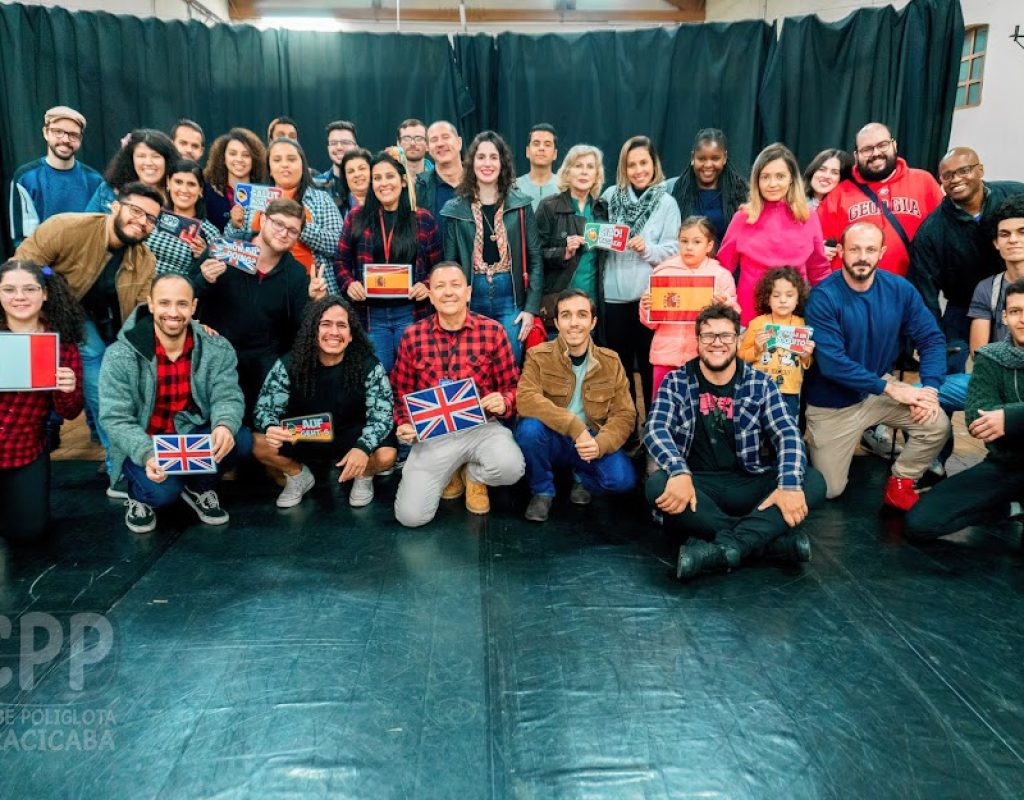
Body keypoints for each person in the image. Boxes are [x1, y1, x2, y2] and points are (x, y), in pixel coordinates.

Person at [644, 304, 827, 581]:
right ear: (698, 341)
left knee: (812, 482)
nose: (717, 343)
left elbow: (787, 433)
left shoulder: (760, 383)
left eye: (726, 336)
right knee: (657, 485)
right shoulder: (676, 381)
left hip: (749, 481)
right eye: (708, 336)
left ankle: (727, 547)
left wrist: (788, 484)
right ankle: (768, 543)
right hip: (697, 487)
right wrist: (678, 471)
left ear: (738, 340)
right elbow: (655, 428)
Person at [15, 182, 160, 492]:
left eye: (150, 218)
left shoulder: (145, 259)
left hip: (107, 327)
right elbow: (21, 268)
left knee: (120, 380)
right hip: (54, 319)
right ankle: (117, 472)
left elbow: (141, 313)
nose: (142, 221)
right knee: (101, 383)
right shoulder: (65, 227)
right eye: (136, 210)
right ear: (115, 205)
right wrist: (49, 301)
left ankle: (109, 446)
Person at [803, 222, 949, 511]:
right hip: (834, 401)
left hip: (877, 390)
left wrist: (929, 388)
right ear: (841, 251)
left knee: (936, 423)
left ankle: (900, 483)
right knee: (830, 490)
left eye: (870, 249)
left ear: (881, 252)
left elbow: (932, 339)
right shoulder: (824, 296)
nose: (862, 256)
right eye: (855, 249)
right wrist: (893, 389)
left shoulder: (899, 290)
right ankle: (806, 453)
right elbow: (833, 364)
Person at [99, 274, 250, 534]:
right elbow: (115, 418)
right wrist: (147, 453)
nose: (173, 312)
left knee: (242, 440)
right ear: (151, 305)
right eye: (164, 303)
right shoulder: (120, 354)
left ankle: (200, 486)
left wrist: (224, 425)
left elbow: (227, 394)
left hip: (188, 435)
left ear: (193, 307)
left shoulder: (216, 347)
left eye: (181, 304)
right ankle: (138, 495)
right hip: (146, 442)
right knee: (162, 495)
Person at [390, 262, 525, 527]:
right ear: (430, 295)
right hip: (433, 434)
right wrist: (404, 423)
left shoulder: (492, 331)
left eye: (455, 285)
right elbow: (400, 390)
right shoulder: (412, 336)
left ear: (468, 292)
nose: (448, 292)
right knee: (410, 517)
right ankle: (450, 471)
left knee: (511, 468)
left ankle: (474, 476)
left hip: (482, 427)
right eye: (439, 286)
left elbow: (513, 386)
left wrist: (504, 401)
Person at [905, 278, 1024, 540]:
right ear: (1004, 317)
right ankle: (997, 507)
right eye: (1015, 311)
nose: (1022, 319)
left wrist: (1010, 418)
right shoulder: (991, 356)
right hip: (1006, 465)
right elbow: (976, 416)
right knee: (919, 523)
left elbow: (998, 416)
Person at [253, 297, 397, 508]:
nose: (334, 332)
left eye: (341, 325)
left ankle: (363, 475)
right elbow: (263, 408)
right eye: (325, 324)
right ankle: (298, 476)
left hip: (351, 436)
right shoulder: (290, 362)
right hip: (305, 433)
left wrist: (363, 447)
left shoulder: (368, 365)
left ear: (350, 335)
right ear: (313, 330)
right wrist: (271, 426)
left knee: (387, 456)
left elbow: (382, 415)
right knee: (258, 443)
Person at [515, 289, 636, 522]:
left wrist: (600, 444)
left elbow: (624, 414)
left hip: (590, 440)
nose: (574, 323)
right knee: (529, 430)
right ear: (557, 322)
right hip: (554, 437)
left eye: (582, 315)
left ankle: (581, 476)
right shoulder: (538, 355)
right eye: (566, 315)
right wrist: (574, 427)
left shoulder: (610, 361)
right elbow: (526, 399)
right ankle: (542, 490)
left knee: (622, 481)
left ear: (593, 322)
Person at [193, 198, 312, 422]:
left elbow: (300, 330)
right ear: (263, 219)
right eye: (278, 224)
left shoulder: (296, 274)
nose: (284, 233)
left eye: (292, 230)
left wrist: (315, 300)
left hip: (263, 369)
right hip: (216, 360)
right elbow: (186, 294)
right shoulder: (224, 249)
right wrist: (204, 280)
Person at [910, 148, 1024, 374]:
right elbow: (925, 295)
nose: (956, 179)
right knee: (948, 365)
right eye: (948, 175)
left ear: (980, 170)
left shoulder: (1015, 195)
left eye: (964, 170)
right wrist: (933, 342)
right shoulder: (931, 232)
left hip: (1017, 295)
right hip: (963, 305)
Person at [335, 148, 442, 374]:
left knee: (414, 375)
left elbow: (438, 267)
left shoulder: (422, 219)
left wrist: (427, 285)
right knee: (378, 377)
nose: (384, 183)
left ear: (403, 182)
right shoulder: (356, 217)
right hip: (371, 317)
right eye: (377, 178)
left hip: (412, 313)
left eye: (390, 176)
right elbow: (341, 263)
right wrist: (349, 284)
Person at [440, 130, 543, 365]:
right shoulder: (454, 209)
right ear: (472, 163)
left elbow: (535, 259)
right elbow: (449, 265)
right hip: (470, 295)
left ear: (502, 163)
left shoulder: (521, 204)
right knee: (472, 367)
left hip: (511, 296)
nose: (487, 163)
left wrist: (531, 309)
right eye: (481, 157)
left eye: (493, 157)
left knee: (510, 365)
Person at [0, 260, 84, 542]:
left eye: (29, 289)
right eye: (9, 289)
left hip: (24, 449)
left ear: (45, 293)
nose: (19, 297)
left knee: (28, 531)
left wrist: (67, 387)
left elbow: (71, 412)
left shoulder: (62, 344)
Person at [601, 135, 681, 411]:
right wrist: (603, 238)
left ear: (654, 163)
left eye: (643, 163)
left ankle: (652, 431)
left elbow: (674, 250)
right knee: (618, 372)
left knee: (650, 370)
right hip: (613, 298)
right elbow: (596, 236)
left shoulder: (667, 202)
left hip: (649, 300)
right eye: (631, 164)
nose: (638, 170)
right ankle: (624, 432)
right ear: (624, 168)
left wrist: (648, 248)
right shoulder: (610, 196)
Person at [717, 143, 831, 327]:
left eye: (780, 176)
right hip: (749, 321)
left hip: (794, 321)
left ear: (791, 179)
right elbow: (722, 269)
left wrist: (830, 307)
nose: (772, 184)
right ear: (757, 181)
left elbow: (819, 270)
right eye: (765, 177)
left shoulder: (808, 217)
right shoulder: (743, 218)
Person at [817, 121, 943, 277]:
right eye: (867, 149)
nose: (876, 153)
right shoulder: (839, 193)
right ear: (856, 156)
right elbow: (817, 242)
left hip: (912, 290)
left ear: (894, 145)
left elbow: (945, 233)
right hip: (854, 292)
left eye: (882, 145)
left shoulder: (924, 182)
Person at [225, 137, 342, 294]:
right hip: (258, 289)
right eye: (277, 160)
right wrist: (234, 225)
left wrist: (299, 227)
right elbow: (228, 248)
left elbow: (338, 246)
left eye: (291, 159)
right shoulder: (254, 199)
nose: (285, 164)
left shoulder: (321, 200)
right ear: (270, 169)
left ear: (302, 165)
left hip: (310, 290)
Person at [640, 216, 739, 397]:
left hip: (704, 357)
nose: (689, 247)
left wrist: (726, 304)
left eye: (697, 242)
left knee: (700, 408)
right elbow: (650, 323)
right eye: (684, 241)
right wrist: (647, 306)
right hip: (666, 356)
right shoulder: (663, 272)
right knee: (664, 404)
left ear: (709, 246)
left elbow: (734, 319)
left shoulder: (721, 275)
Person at [535, 144, 608, 332]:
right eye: (578, 166)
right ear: (567, 172)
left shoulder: (603, 209)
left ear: (597, 175)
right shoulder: (549, 206)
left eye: (590, 167)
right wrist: (563, 253)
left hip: (593, 307)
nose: (584, 172)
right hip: (558, 305)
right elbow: (533, 255)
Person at [9, 105, 102, 247]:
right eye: (58, 131)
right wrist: (46, 270)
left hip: (85, 265)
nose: (65, 139)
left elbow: (100, 234)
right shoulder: (25, 178)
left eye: (73, 134)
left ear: (80, 139)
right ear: (45, 133)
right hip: (41, 265)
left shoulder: (95, 180)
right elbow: (22, 241)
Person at [738, 267, 815, 421]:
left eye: (789, 295)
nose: (783, 300)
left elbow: (806, 362)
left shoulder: (802, 325)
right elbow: (741, 356)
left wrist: (806, 356)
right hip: (758, 389)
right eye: (776, 295)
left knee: (785, 430)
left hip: (789, 391)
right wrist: (757, 349)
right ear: (768, 298)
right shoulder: (757, 324)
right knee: (757, 431)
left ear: (798, 298)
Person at [666, 128, 749, 243]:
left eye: (715, 158)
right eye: (701, 158)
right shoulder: (672, 189)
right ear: (693, 158)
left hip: (726, 260)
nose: (708, 165)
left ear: (724, 158)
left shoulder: (741, 192)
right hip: (683, 259)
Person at [147, 159, 221, 277]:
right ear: (168, 183)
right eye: (178, 182)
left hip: (178, 292)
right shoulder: (153, 215)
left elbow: (214, 277)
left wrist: (204, 255)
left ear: (201, 190)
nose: (184, 190)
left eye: (191, 184)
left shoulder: (210, 232)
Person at [85, 128, 176, 214]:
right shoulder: (108, 191)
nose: (148, 162)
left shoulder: (179, 195)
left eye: (156, 156)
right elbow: (87, 224)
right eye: (141, 156)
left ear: (167, 161)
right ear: (130, 160)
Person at [202, 128, 267, 231]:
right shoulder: (208, 191)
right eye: (232, 154)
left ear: (254, 159)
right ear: (223, 158)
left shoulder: (264, 194)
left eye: (246, 155)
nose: (239, 159)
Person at [417, 121, 464, 247]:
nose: (440, 144)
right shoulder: (419, 189)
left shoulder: (479, 183)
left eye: (446, 137)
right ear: (427, 148)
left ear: (459, 142)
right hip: (434, 265)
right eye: (434, 140)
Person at [315, 120, 359, 213]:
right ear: (328, 148)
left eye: (345, 142)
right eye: (333, 143)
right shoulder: (316, 185)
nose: (339, 147)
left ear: (356, 147)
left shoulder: (369, 183)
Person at [516, 123, 559, 210]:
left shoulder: (565, 187)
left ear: (555, 154)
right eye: (536, 144)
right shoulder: (514, 188)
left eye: (547, 145)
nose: (541, 148)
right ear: (527, 151)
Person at [334, 148, 373, 223]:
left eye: (362, 168)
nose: (357, 174)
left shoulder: (384, 202)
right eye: (350, 171)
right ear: (345, 177)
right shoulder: (336, 207)